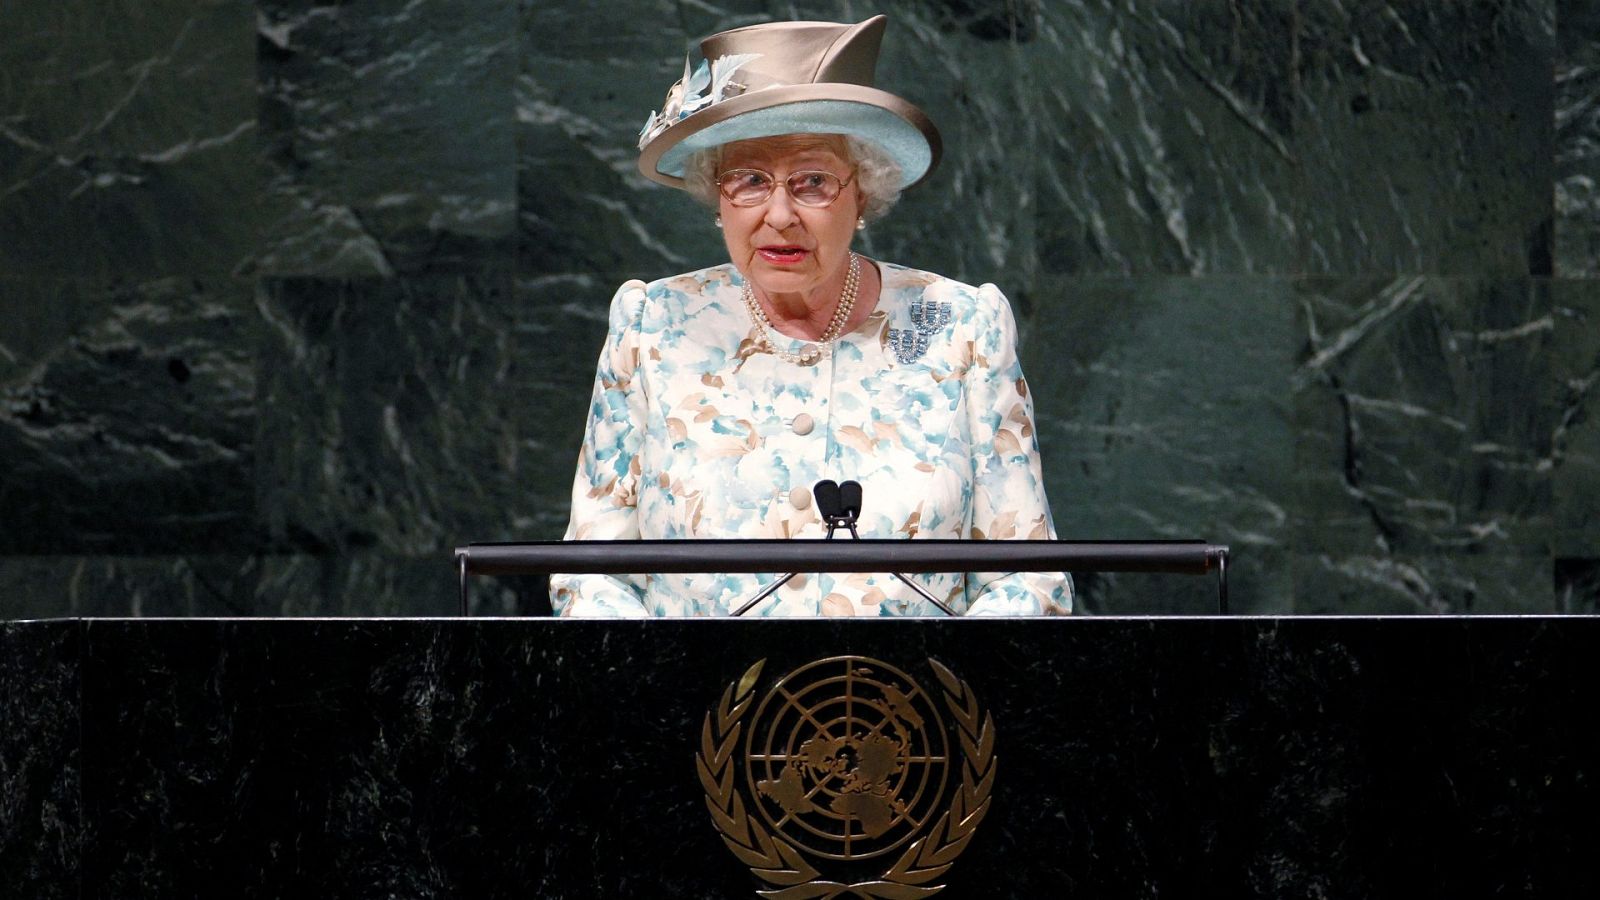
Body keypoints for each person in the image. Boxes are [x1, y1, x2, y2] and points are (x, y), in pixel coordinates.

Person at [550, 15, 1071, 617]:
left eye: (813, 182)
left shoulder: (962, 326)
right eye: (748, 180)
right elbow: (593, 576)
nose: (778, 215)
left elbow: (1028, 580)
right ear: (717, 198)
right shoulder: (651, 325)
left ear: (864, 194)